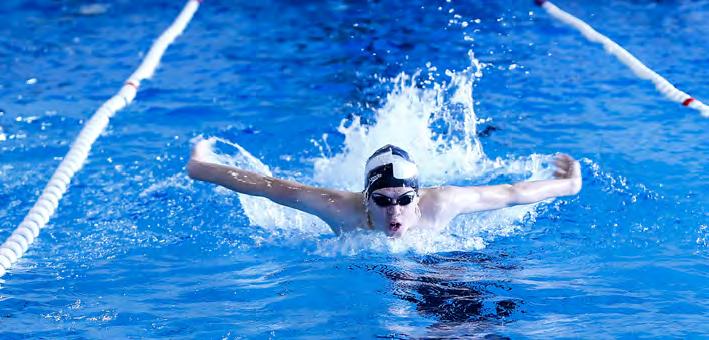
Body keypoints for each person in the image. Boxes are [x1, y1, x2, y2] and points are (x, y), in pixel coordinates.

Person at [187, 141, 582, 237]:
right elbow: (267, 187)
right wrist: (201, 167)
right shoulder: (338, 208)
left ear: (417, 196)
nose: (394, 212)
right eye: (382, 200)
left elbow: (511, 192)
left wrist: (567, 185)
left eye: (404, 200)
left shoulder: (442, 202)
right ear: (365, 199)